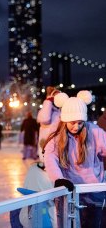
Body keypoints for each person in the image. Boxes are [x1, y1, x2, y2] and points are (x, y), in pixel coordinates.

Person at [43, 90, 106, 228]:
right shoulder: (57, 139)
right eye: (72, 122)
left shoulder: (94, 132)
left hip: (93, 193)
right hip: (68, 193)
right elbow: (49, 158)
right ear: (65, 120)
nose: (76, 127)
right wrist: (58, 179)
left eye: (80, 122)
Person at [36, 86, 61, 161]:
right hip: (46, 145)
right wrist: (49, 100)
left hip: (58, 147)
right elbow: (45, 118)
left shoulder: (59, 111)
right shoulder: (44, 110)